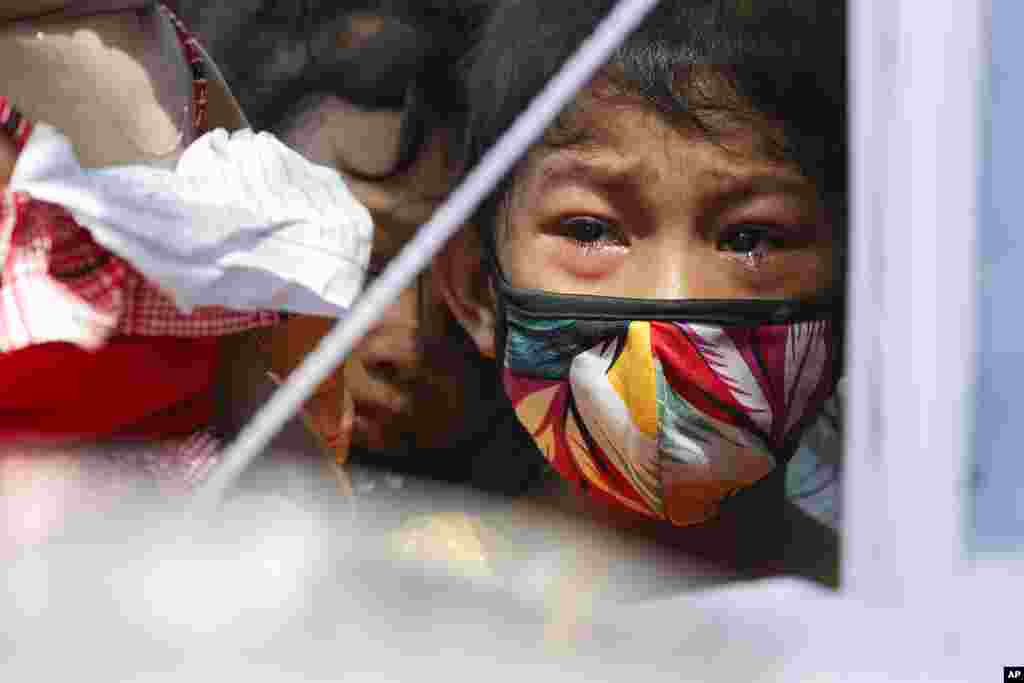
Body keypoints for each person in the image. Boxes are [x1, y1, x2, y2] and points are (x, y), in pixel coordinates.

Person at [435, 0, 847, 576]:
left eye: (749, 236)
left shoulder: (902, 639)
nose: (671, 307)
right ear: (476, 289)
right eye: (589, 230)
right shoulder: (377, 625)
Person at [0, 0, 372, 546]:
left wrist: (291, 361)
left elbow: (251, 255)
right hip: (33, 490)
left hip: (201, 462)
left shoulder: (171, 50)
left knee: (304, 507)